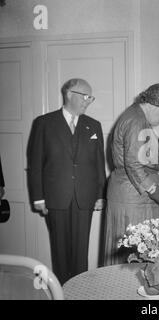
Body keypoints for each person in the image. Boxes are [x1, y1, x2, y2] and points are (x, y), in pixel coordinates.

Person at [28, 78, 106, 284]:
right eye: (86, 96)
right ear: (70, 94)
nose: (89, 101)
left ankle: (80, 291)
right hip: (55, 197)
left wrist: (100, 195)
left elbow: (99, 163)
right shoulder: (44, 123)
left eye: (91, 98)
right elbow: (35, 164)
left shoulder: (93, 126)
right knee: (60, 251)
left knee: (81, 251)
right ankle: (62, 292)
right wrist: (38, 198)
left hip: (85, 197)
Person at [103, 83, 159, 266]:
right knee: (132, 260)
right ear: (154, 105)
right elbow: (134, 163)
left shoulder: (138, 117)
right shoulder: (135, 121)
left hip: (135, 197)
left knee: (139, 257)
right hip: (133, 199)